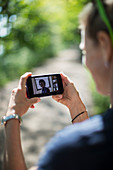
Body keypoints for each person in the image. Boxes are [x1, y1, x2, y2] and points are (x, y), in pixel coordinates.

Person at [1, 0, 113, 169]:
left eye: (84, 51)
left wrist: (12, 116)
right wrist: (75, 106)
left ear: (104, 44)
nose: (85, 62)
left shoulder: (65, 150)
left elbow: (86, 147)